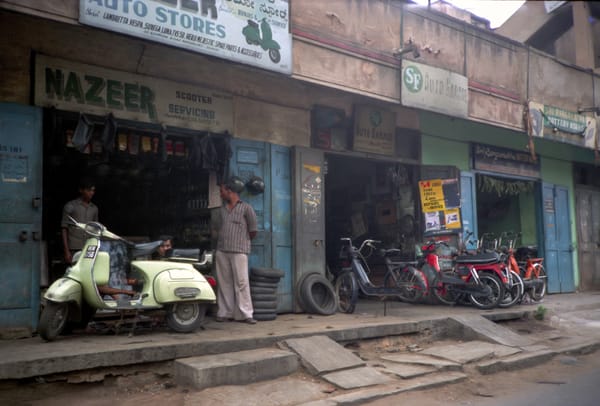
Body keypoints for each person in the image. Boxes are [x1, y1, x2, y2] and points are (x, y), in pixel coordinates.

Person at [214, 176, 258, 324]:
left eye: (222, 190)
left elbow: (253, 231)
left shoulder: (246, 208)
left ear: (230, 191)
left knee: (241, 282)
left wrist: (241, 241)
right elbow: (219, 228)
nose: (221, 193)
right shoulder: (222, 209)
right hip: (222, 250)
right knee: (224, 282)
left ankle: (246, 314)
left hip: (239, 250)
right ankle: (225, 312)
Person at [61, 177, 99, 264]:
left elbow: (96, 230)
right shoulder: (70, 206)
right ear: (81, 190)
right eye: (89, 190)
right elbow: (64, 228)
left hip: (89, 247)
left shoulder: (94, 209)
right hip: (74, 248)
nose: (91, 193)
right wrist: (66, 251)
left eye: (93, 190)